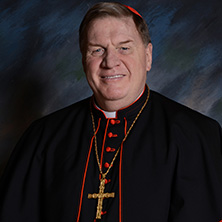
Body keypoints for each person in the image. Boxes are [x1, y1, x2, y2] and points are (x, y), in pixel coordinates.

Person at [0, 2, 222, 222]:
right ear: (84, 59)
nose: (110, 62)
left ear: (148, 56)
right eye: (97, 50)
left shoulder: (195, 135)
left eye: (124, 48)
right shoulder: (42, 137)